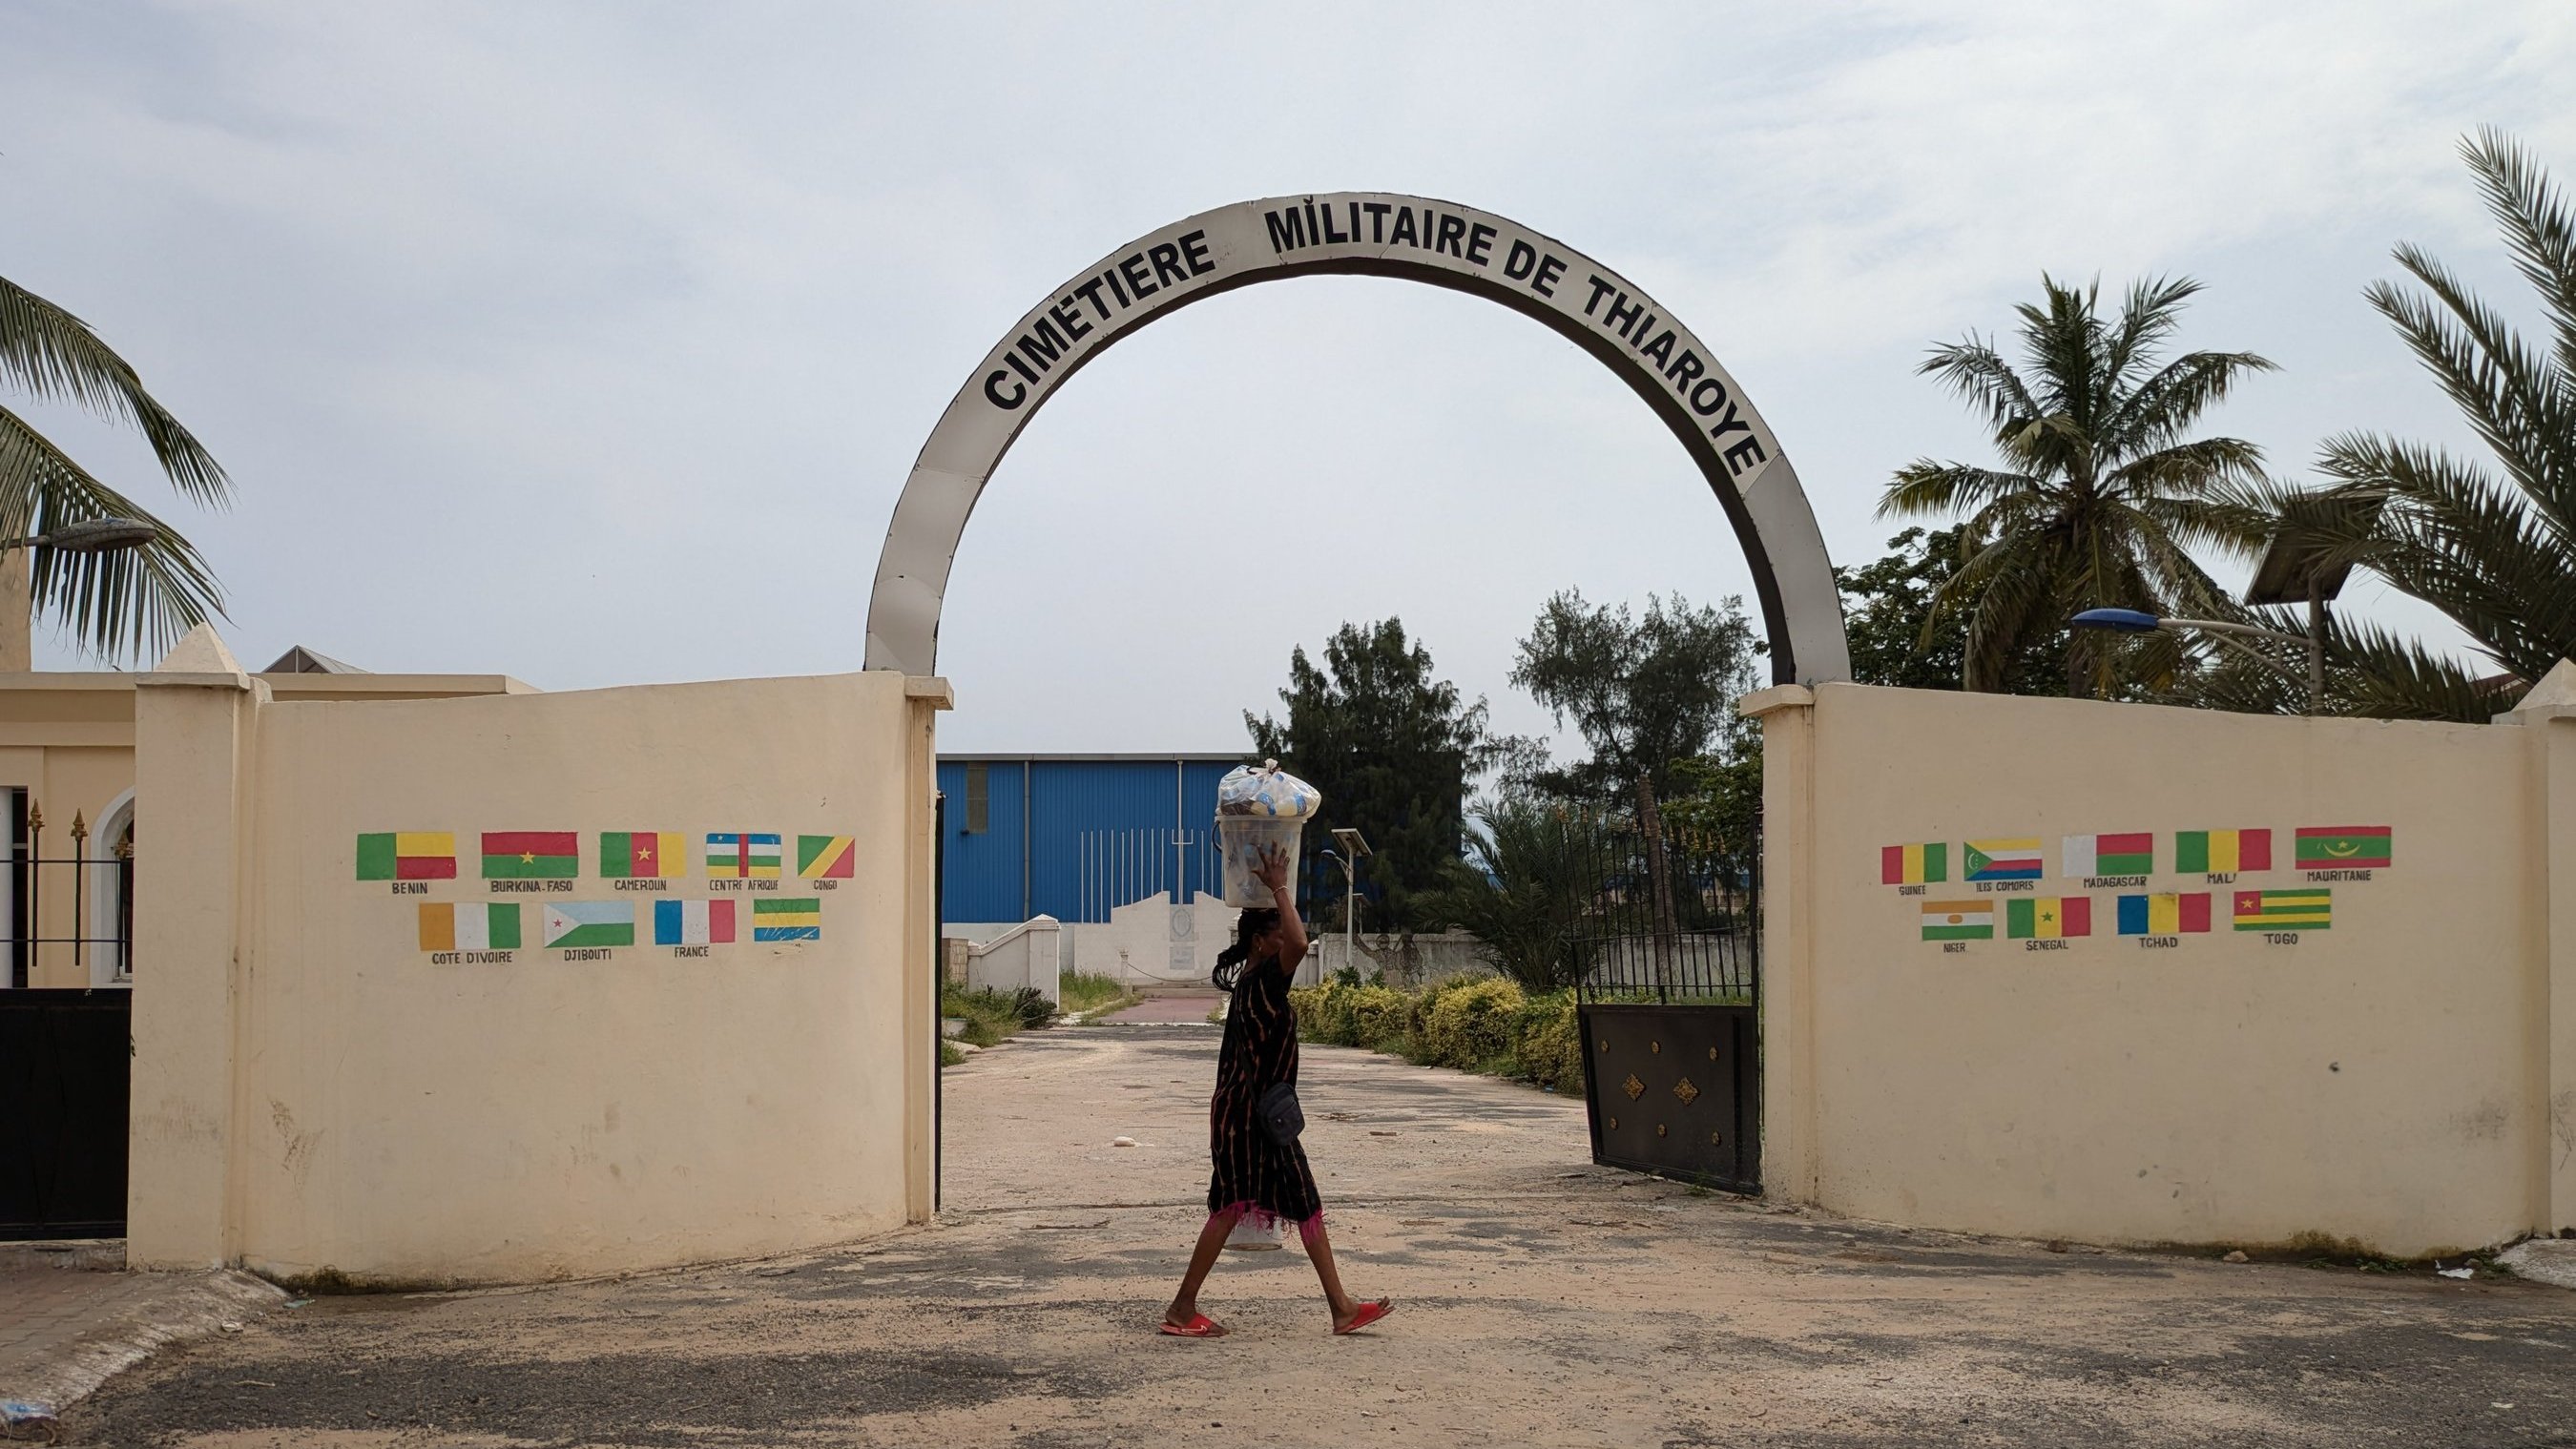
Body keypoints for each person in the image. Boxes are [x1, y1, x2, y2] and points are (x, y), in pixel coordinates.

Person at [1160, 842, 1392, 1337]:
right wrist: (1281, 886)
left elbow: (1292, 941)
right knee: (1240, 1206)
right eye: (1275, 931)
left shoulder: (1251, 980)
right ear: (1264, 943)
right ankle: (1183, 1308)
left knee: (1272, 1203)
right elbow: (1301, 943)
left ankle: (1340, 1306)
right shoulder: (1264, 979)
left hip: (1244, 1116)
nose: (1283, 937)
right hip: (1253, 1120)